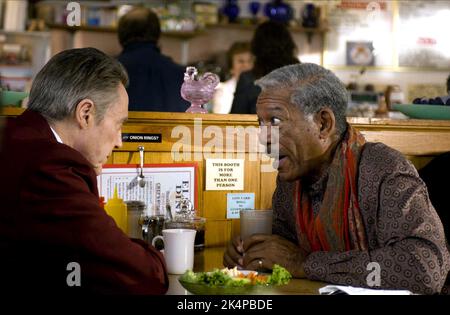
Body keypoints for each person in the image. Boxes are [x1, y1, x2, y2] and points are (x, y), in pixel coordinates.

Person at [223, 63, 450, 294]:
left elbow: (424, 269)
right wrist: (250, 252)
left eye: (276, 122)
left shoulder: (383, 169)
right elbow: (284, 249)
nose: (263, 138)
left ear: (323, 124)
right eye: (261, 124)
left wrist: (306, 264)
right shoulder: (290, 180)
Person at [0, 48, 168, 294]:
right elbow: (141, 275)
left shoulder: (15, 135)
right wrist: (158, 258)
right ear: (85, 113)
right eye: (119, 123)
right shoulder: (51, 166)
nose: (120, 141)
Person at [117, 7, 189, 112]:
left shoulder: (107, 73)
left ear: (121, 36)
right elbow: (196, 122)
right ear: (157, 34)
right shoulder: (183, 75)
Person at [230, 21, 299, 114]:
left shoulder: (248, 79)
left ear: (256, 48)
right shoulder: (303, 77)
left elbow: (235, 119)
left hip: (257, 128)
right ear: (289, 46)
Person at [212, 42, 253, 114]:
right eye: (241, 61)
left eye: (249, 61)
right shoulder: (223, 91)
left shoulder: (261, 89)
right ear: (231, 67)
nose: (246, 65)